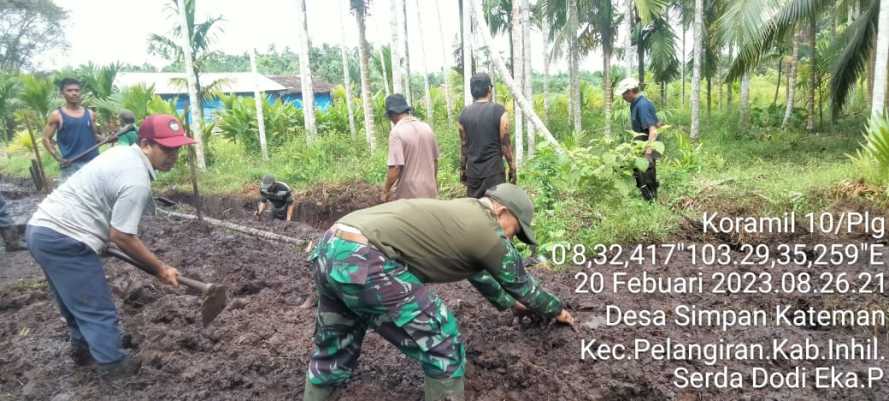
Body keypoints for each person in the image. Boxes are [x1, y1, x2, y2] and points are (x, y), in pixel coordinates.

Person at [302, 183, 575, 401]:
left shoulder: (462, 213)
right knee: (443, 344)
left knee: (334, 348)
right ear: (502, 212)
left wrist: (509, 304)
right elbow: (524, 286)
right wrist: (557, 310)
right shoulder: (488, 233)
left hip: (331, 246)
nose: (512, 239)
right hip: (367, 257)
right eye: (515, 230)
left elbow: (477, 272)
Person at [26, 114, 194, 379]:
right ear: (147, 144)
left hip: (42, 230)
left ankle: (84, 348)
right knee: (96, 306)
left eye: (177, 148)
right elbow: (123, 236)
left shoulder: (121, 154)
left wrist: (99, 236)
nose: (173, 155)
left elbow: (98, 201)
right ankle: (113, 364)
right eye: (166, 148)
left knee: (73, 300)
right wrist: (160, 268)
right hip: (65, 237)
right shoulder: (137, 180)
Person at [458, 73, 516, 198]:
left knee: (475, 212)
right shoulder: (499, 111)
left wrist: (463, 170)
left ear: (472, 91)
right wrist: (512, 168)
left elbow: (464, 147)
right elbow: (506, 145)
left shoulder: (464, 114)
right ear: (489, 89)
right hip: (494, 175)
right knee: (495, 212)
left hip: (473, 175)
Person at [381, 94, 439, 201]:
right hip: (430, 193)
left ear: (391, 114)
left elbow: (395, 168)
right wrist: (433, 183)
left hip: (409, 196)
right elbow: (435, 161)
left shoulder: (396, 132)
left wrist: (385, 191)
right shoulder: (426, 128)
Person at [42, 78, 102, 181]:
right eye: (69, 90)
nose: (74, 93)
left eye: (77, 90)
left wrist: (109, 138)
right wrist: (58, 158)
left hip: (93, 163)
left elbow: (94, 136)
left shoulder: (90, 114)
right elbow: (45, 139)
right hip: (71, 165)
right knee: (69, 196)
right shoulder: (57, 115)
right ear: (62, 93)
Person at [617, 78, 661, 201]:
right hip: (641, 146)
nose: (623, 97)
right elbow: (657, 123)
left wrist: (648, 152)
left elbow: (653, 130)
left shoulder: (642, 105)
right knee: (639, 175)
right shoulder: (636, 104)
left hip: (647, 147)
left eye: (624, 94)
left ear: (630, 91)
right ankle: (647, 200)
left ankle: (651, 203)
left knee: (647, 178)